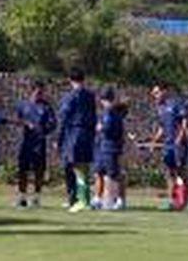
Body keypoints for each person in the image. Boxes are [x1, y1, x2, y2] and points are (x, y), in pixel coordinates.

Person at [57, 69, 97, 213]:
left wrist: (59, 137)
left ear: (69, 79)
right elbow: (94, 116)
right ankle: (81, 198)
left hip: (74, 133)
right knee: (83, 167)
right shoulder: (90, 96)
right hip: (87, 133)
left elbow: (63, 117)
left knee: (75, 166)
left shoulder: (70, 97)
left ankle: (80, 200)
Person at [15, 80, 56, 209]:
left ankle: (36, 198)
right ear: (31, 91)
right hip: (26, 143)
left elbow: (53, 123)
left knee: (39, 171)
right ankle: (22, 197)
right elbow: (17, 119)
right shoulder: (23, 105)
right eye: (37, 91)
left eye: (41, 91)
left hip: (40, 143)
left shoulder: (46, 107)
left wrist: (44, 130)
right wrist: (25, 123)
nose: (40, 94)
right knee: (23, 171)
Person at [151, 83, 188, 211]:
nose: (154, 96)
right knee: (169, 173)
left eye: (157, 93)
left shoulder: (176, 103)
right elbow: (162, 128)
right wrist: (155, 141)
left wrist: (180, 137)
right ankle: (173, 201)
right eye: (153, 93)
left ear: (164, 91)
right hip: (168, 145)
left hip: (179, 144)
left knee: (181, 171)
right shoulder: (160, 108)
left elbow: (184, 122)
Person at [95, 88, 127, 211]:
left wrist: (99, 127)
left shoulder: (111, 113)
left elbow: (107, 128)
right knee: (99, 173)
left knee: (114, 175)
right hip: (102, 148)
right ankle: (97, 199)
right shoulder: (107, 112)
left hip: (110, 148)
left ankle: (119, 200)